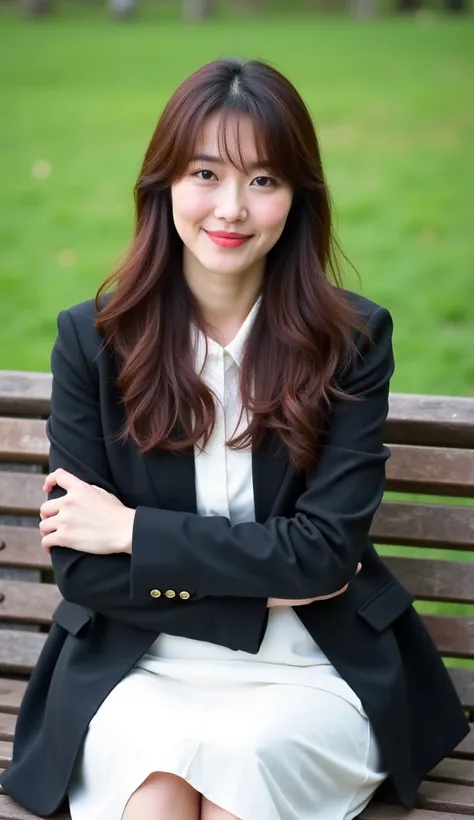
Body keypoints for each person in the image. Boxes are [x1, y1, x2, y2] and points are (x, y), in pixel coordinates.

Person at [1, 58, 468, 820]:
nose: (231, 208)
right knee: (154, 797)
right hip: (139, 667)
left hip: (312, 670)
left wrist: (135, 533)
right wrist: (263, 589)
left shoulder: (351, 340)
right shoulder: (92, 341)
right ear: (164, 186)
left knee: (241, 777)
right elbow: (84, 574)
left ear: (296, 198)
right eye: (206, 173)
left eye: (262, 180)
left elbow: (324, 556)